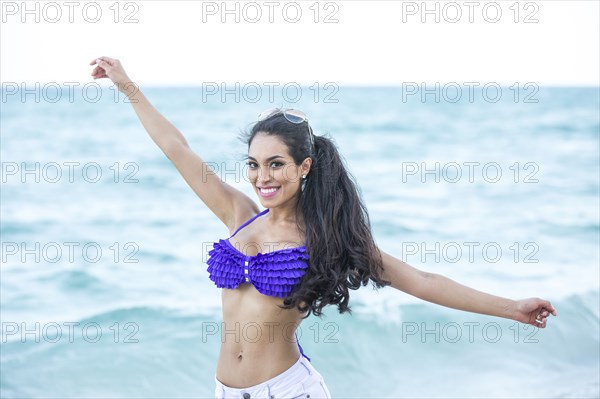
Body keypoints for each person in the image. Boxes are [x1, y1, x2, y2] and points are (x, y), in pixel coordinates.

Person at [90, 56, 558, 399]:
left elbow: (422, 281)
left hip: (289, 392)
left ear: (304, 166)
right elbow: (178, 149)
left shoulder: (327, 241)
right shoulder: (239, 214)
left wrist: (510, 307)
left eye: (276, 164)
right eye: (253, 165)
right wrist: (128, 86)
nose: (262, 177)